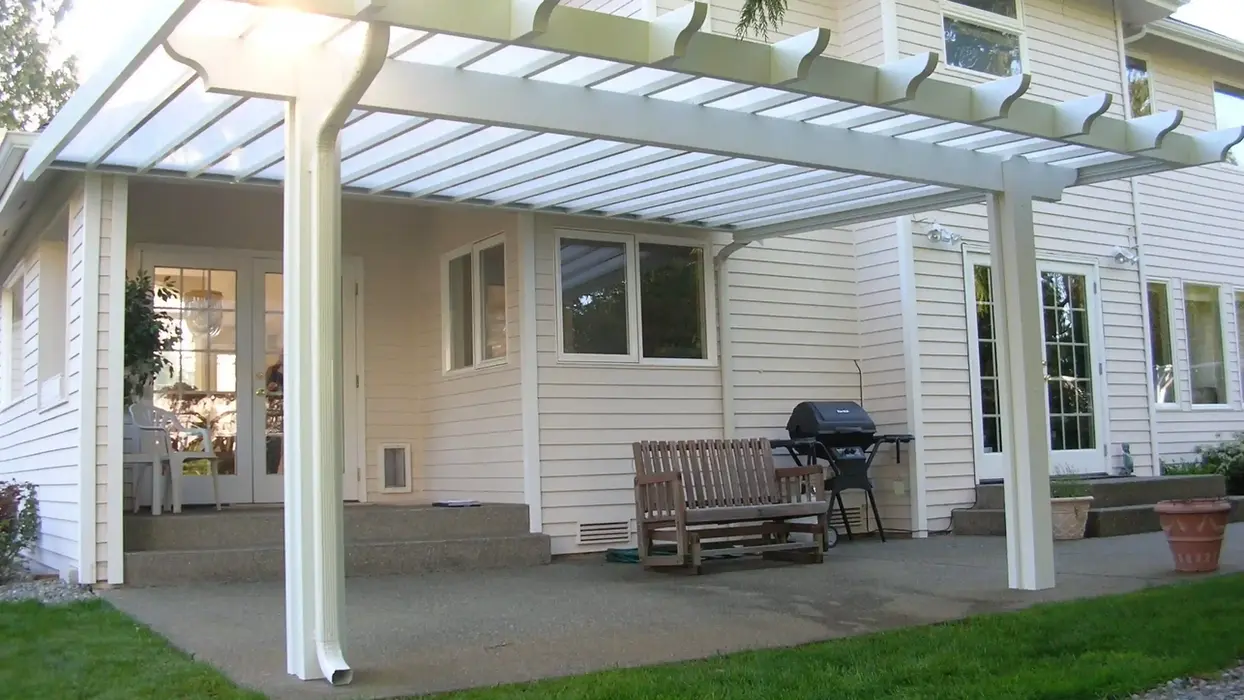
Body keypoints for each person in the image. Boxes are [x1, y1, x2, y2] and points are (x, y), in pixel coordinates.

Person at [265, 358, 283, 475]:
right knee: (273, 444)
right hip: (274, 414)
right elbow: (265, 389)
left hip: (291, 412)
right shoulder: (273, 371)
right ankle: (271, 473)